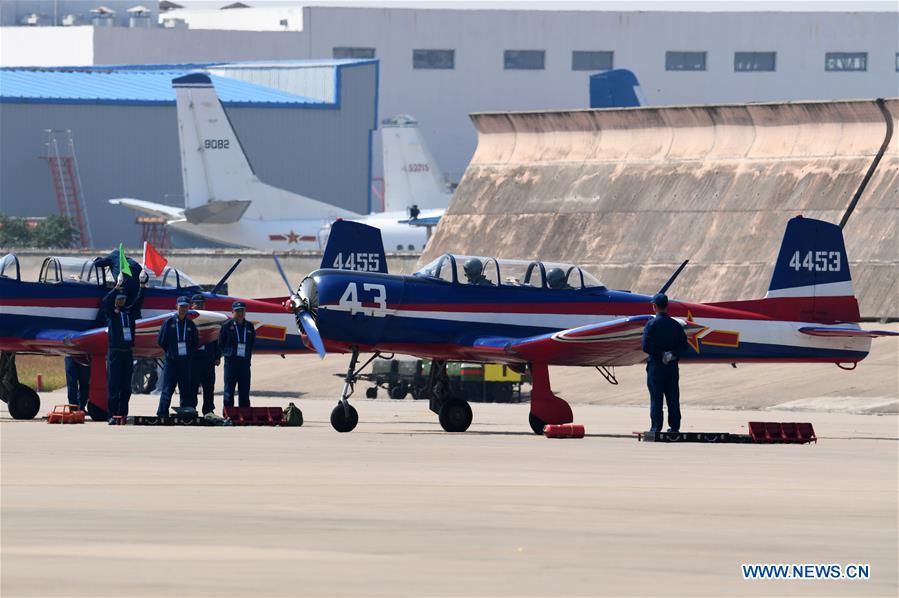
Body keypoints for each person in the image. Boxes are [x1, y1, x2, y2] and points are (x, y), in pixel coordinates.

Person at [641, 293, 689, 433]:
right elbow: (684, 347)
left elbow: (646, 346)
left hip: (656, 366)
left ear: (654, 307)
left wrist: (661, 354)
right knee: (673, 397)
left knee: (656, 398)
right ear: (667, 306)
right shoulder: (676, 325)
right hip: (672, 366)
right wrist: (672, 354)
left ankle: (656, 428)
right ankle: (674, 427)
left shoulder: (651, 324)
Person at [102, 278, 145, 424]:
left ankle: (123, 414)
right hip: (115, 352)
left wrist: (142, 286)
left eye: (123, 298)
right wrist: (116, 288)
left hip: (127, 352)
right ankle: (111, 415)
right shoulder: (111, 314)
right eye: (119, 298)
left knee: (126, 386)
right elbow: (105, 302)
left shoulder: (129, 312)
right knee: (113, 385)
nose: (122, 301)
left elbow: (139, 302)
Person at [156, 296, 199, 417]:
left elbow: (195, 342)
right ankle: (162, 412)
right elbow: (161, 341)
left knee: (185, 389)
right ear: (176, 307)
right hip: (172, 362)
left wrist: (188, 354)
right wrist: (170, 352)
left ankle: (184, 413)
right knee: (168, 389)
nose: (183, 309)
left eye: (186, 306)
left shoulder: (190, 324)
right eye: (181, 306)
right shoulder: (169, 323)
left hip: (185, 362)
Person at [218, 301, 255, 409]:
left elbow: (252, 342)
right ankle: (228, 414)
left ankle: (244, 413)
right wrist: (228, 353)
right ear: (232, 312)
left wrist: (247, 353)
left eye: (242, 311)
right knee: (229, 390)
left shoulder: (249, 326)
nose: (240, 313)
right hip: (231, 362)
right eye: (237, 311)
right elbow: (221, 343)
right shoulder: (226, 326)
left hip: (244, 362)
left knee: (244, 389)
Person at [190, 293, 221, 415]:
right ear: (192, 305)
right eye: (197, 304)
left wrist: (217, 356)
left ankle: (208, 410)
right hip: (194, 358)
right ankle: (191, 408)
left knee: (209, 387)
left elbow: (215, 339)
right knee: (193, 385)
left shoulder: (210, 319)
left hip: (208, 358)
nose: (200, 306)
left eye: (202, 304)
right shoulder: (189, 321)